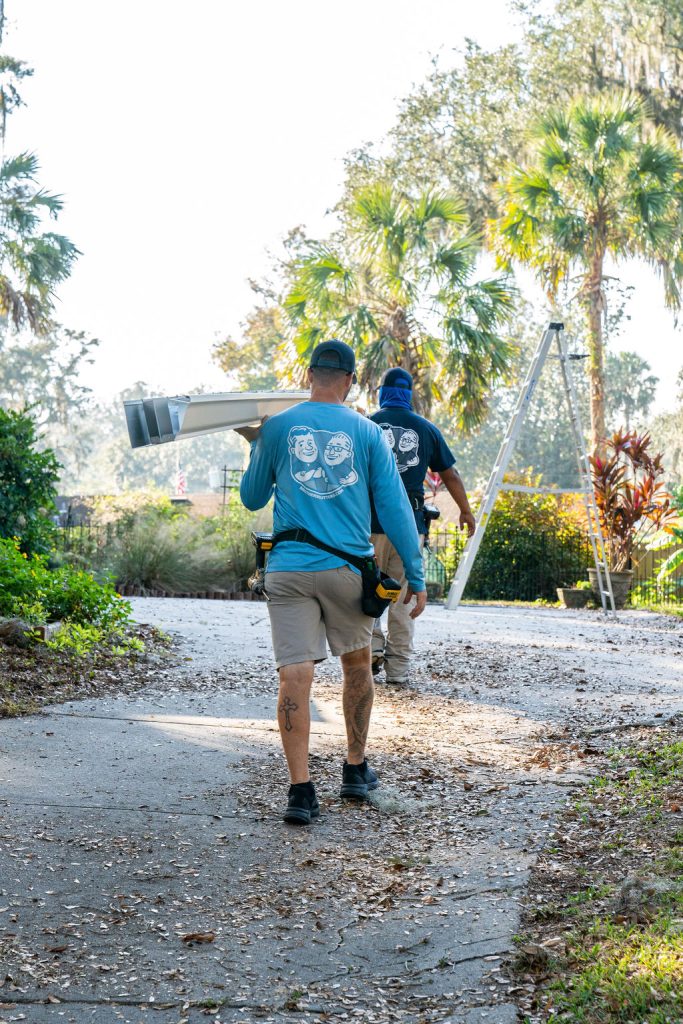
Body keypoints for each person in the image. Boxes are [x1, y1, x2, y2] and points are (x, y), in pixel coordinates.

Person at [237, 341, 426, 826]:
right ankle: (355, 769)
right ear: (350, 381)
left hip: (289, 569)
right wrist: (416, 573)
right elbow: (395, 509)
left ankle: (300, 791)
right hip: (347, 570)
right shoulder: (367, 433)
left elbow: (251, 496)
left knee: (294, 674)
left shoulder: (278, 427)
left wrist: (258, 444)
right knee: (357, 665)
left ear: (308, 374)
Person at [369, 367, 476, 684]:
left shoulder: (367, 425)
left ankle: (370, 652)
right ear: (409, 394)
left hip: (368, 526)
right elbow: (450, 475)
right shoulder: (426, 429)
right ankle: (398, 669)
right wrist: (466, 511)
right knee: (403, 596)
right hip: (409, 525)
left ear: (382, 392)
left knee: (366, 589)